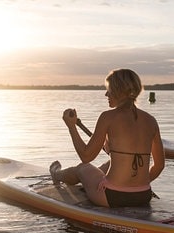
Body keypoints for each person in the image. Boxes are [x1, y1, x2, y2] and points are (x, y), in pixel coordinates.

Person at [49, 68, 165, 207]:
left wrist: (72, 126)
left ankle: (56, 174)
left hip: (113, 196)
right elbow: (159, 166)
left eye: (109, 90)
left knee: (82, 168)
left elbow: (86, 156)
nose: (106, 94)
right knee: (111, 164)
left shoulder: (108, 117)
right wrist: (137, 185)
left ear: (118, 91)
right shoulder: (151, 120)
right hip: (143, 195)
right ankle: (94, 177)